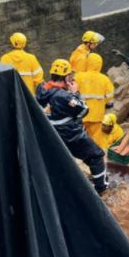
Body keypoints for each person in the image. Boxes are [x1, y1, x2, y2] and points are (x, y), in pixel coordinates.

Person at [36, 59, 108, 193]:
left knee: (62, 161)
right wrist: (75, 92)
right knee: (96, 157)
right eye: (70, 75)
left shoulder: (41, 89)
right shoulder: (64, 96)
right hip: (70, 134)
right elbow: (83, 110)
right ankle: (101, 188)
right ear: (66, 77)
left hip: (50, 134)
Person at [77, 53, 115, 142]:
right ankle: (97, 155)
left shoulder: (78, 77)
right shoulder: (105, 79)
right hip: (97, 116)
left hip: (82, 115)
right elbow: (110, 100)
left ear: (88, 63)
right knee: (97, 141)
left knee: (81, 139)